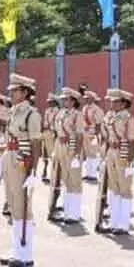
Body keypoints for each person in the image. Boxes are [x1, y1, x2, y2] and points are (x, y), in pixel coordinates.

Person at [0, 74, 43, 267]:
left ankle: (25, 254)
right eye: (11, 91)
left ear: (25, 92)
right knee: (12, 205)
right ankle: (17, 250)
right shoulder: (13, 112)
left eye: (15, 90)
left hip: (21, 162)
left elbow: (35, 143)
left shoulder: (31, 114)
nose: (12, 93)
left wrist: (33, 171)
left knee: (23, 206)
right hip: (10, 158)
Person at [102, 88, 134, 234]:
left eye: (116, 101)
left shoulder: (129, 119)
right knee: (114, 187)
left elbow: (132, 141)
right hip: (111, 151)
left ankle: (123, 224)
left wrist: (129, 159)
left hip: (122, 152)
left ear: (124, 103)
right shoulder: (111, 117)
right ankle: (114, 221)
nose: (112, 104)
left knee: (124, 188)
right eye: (111, 101)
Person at [55, 88, 85, 223]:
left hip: (71, 147)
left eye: (66, 99)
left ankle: (75, 213)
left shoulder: (77, 115)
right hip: (61, 146)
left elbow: (79, 135)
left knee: (74, 181)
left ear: (73, 101)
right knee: (65, 179)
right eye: (63, 99)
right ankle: (67, 211)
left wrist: (76, 154)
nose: (63, 101)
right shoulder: (61, 113)